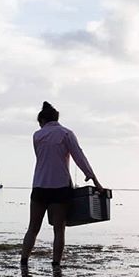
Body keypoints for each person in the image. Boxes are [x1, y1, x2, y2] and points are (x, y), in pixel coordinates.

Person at [21, 101, 103, 266]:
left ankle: (24, 261)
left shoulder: (37, 136)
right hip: (60, 187)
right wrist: (92, 177)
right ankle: (56, 264)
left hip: (39, 185)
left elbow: (43, 159)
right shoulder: (66, 134)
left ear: (42, 120)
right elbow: (79, 156)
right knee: (59, 229)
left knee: (33, 228)